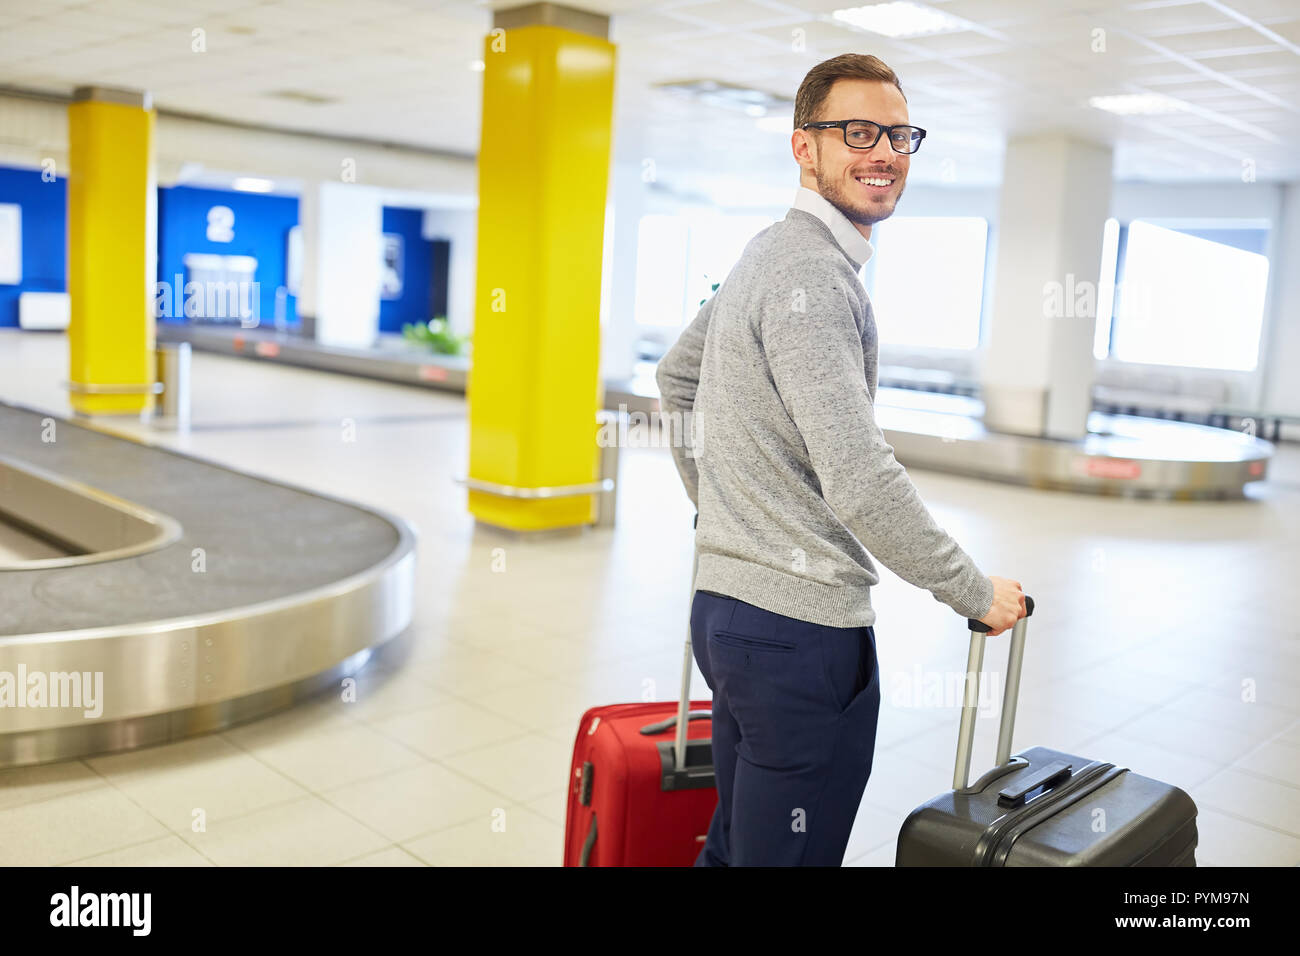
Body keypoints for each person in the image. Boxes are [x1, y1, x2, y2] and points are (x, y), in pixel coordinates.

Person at [655, 53, 1027, 867]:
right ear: (804, 147)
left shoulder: (763, 251)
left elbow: (676, 379)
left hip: (726, 616)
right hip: (796, 633)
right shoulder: (815, 278)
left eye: (899, 134)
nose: (884, 151)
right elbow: (859, 474)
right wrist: (971, 589)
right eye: (857, 131)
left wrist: (722, 513)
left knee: (737, 847)